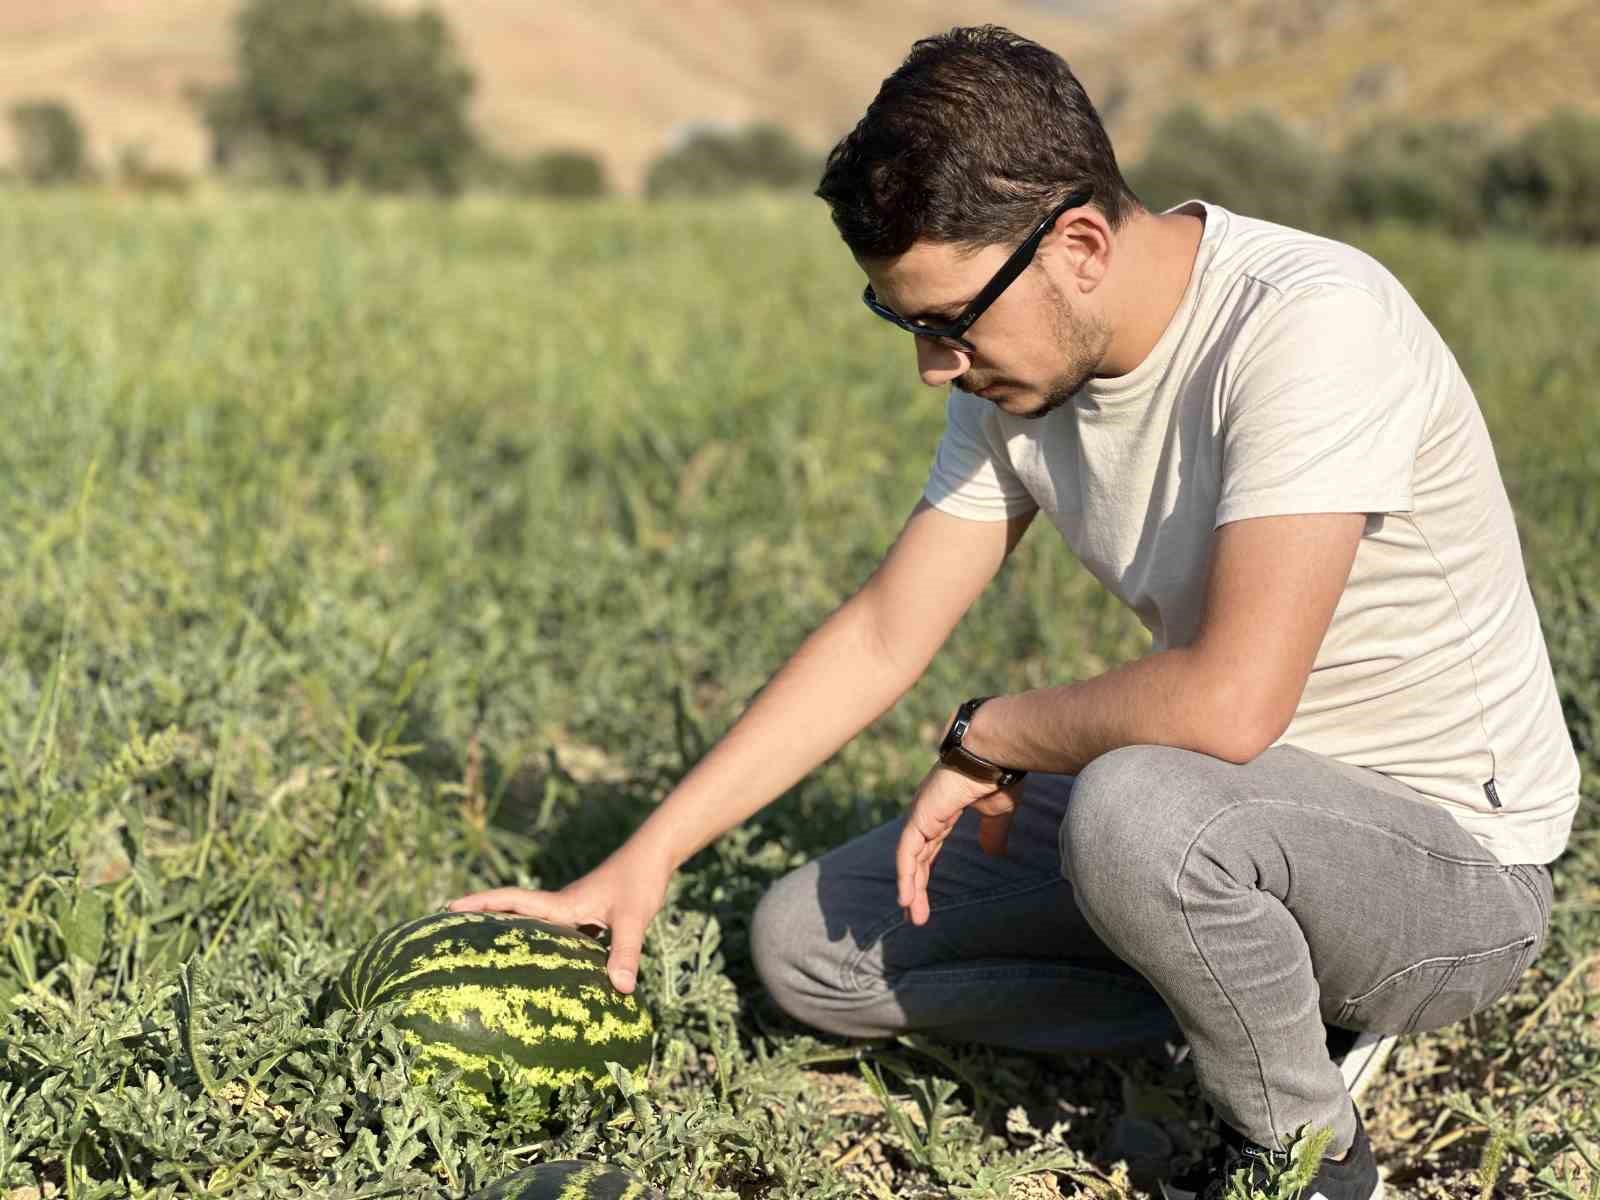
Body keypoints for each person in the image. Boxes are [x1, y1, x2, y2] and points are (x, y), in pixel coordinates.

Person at [449, 25, 1578, 1200]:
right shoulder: (1023, 375)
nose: (933, 366)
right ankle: (1237, 1015)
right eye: (905, 325)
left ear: (1078, 243)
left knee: (1139, 807)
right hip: (1229, 819)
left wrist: (993, 732)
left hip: (1452, 869)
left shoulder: (1309, 324)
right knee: (806, 950)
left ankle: (1303, 1155)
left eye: (948, 322)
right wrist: (644, 859)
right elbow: (885, 629)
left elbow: (1231, 702)